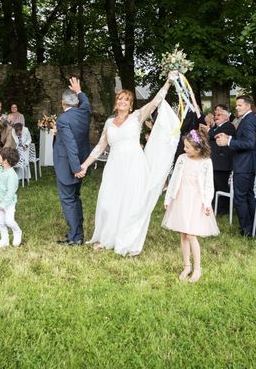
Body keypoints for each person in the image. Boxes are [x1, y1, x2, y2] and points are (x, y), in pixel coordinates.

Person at [79, 71, 180, 256]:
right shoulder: (109, 123)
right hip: (114, 166)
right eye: (120, 99)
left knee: (130, 203)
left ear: (131, 104)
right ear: (116, 103)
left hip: (134, 165)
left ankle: (125, 239)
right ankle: (107, 237)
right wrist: (85, 165)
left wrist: (168, 82)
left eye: (126, 100)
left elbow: (155, 102)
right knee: (108, 201)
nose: (122, 102)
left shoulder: (137, 117)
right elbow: (100, 147)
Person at [162, 129, 218, 283]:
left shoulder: (206, 162)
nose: (184, 149)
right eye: (184, 146)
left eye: (187, 147)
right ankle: (186, 265)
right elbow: (174, 179)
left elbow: (208, 185)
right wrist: (168, 198)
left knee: (191, 234)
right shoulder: (181, 158)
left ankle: (197, 268)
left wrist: (207, 202)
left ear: (198, 148)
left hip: (196, 200)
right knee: (183, 233)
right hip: (181, 198)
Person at [215, 95, 256, 237]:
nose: (236, 107)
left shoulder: (248, 121)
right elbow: (245, 140)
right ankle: (255, 227)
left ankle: (246, 230)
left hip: (244, 165)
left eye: (240, 105)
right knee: (248, 196)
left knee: (240, 197)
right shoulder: (249, 119)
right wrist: (229, 138)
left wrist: (228, 143)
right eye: (236, 105)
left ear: (248, 106)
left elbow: (249, 143)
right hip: (248, 164)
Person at [53, 77, 91, 245]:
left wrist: (76, 168)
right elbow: (87, 103)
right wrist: (79, 90)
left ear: (63, 104)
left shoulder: (62, 119)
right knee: (75, 198)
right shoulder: (84, 113)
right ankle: (78, 232)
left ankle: (75, 237)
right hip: (81, 164)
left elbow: (70, 146)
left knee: (68, 200)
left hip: (70, 167)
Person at [0, 147, 22, 248]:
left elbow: (10, 193)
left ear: (5, 160)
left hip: (8, 204)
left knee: (9, 221)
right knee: (1, 222)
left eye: (0, 156)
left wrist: (4, 205)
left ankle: (17, 232)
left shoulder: (12, 175)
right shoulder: (0, 170)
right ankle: (5, 239)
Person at [207, 106, 235, 214]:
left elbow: (213, 135)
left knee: (222, 186)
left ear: (226, 117)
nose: (215, 117)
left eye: (219, 115)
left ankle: (224, 210)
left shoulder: (228, 126)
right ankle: (216, 207)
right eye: (215, 115)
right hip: (215, 161)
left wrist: (209, 129)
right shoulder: (217, 127)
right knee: (215, 186)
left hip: (222, 163)